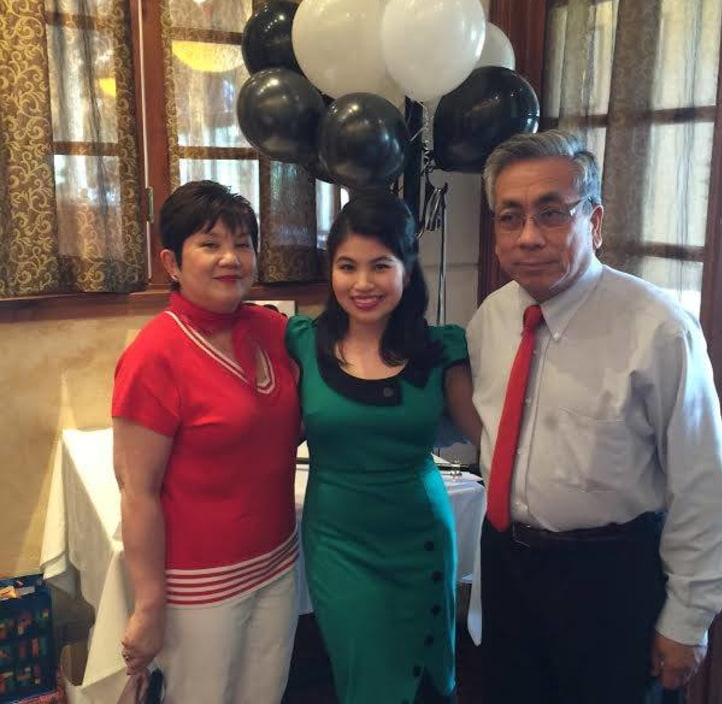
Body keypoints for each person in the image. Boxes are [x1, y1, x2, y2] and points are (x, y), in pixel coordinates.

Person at [466, 130, 722, 703]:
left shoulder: (658, 329)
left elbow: (702, 486)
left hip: (611, 578)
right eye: (509, 217)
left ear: (594, 221)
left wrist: (687, 621)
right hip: (509, 569)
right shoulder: (491, 317)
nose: (529, 236)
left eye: (552, 213)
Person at [285, 192, 481, 704]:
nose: (363, 283)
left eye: (380, 265)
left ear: (408, 269)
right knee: (364, 674)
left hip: (420, 536)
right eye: (347, 266)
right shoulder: (302, 342)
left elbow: (489, 436)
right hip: (340, 542)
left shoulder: (441, 349)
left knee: (428, 680)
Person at [112, 180, 301, 703]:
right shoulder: (155, 355)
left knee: (266, 695)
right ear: (172, 262)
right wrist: (149, 606)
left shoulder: (273, 330)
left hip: (278, 562)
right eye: (210, 244)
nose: (230, 259)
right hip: (199, 587)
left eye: (242, 243)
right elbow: (137, 491)